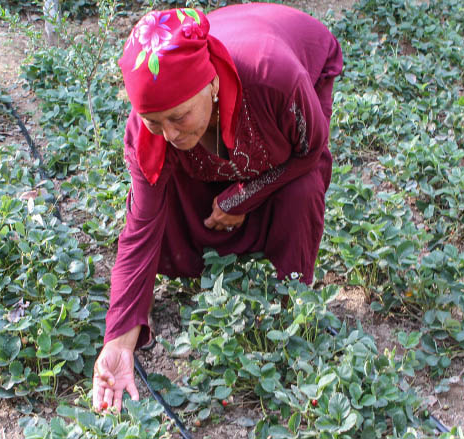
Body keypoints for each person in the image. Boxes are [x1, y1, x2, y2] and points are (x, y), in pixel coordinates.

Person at [92, 4, 343, 412]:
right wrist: (118, 340)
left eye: (178, 116)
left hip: (292, 51)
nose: (169, 134)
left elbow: (308, 151)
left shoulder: (275, 81)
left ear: (210, 83)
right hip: (232, 81)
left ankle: (291, 305)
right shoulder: (150, 130)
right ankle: (221, 251)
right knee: (176, 175)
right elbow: (140, 227)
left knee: (300, 187)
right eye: (155, 122)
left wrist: (241, 197)